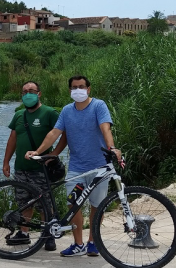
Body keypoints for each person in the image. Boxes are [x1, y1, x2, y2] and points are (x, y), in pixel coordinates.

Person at [26, 75, 121, 257]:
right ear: (70, 91)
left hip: (99, 167)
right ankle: (78, 244)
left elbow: (105, 128)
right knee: (73, 204)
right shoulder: (67, 111)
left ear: (88, 89)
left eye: (81, 86)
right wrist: (38, 151)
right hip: (77, 168)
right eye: (74, 87)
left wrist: (113, 148)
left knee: (97, 206)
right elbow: (56, 133)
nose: (78, 90)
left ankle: (93, 243)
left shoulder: (98, 106)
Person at [3, 80, 65, 251]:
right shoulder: (18, 115)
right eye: (24, 91)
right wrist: (6, 161)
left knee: (44, 203)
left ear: (39, 93)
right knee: (24, 201)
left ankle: (48, 234)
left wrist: (54, 155)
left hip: (41, 169)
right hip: (21, 167)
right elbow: (12, 140)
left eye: (31, 90)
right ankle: (24, 233)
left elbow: (64, 135)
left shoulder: (49, 113)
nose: (28, 94)